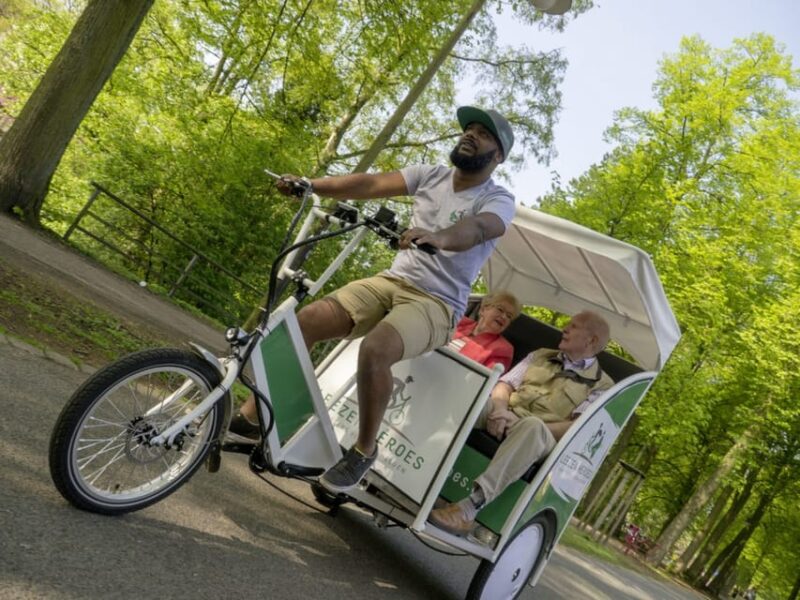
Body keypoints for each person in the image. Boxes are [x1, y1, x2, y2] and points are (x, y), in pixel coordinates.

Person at [229, 106, 517, 494]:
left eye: (483, 135)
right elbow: (368, 184)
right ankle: (254, 416)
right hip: (392, 280)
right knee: (305, 322)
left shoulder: (497, 198)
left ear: (497, 156)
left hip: (438, 303)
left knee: (376, 348)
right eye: (469, 129)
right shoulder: (430, 175)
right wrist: (311, 184)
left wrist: (440, 237)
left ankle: (363, 450)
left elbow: (479, 228)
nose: (470, 135)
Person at [429, 310, 614, 536]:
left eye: (574, 326)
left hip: (544, 435)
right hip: (506, 412)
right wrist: (499, 410)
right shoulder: (541, 355)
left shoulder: (602, 386)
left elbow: (576, 427)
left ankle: (468, 509)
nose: (565, 328)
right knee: (471, 399)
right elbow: (504, 386)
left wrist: (520, 421)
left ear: (591, 340)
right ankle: (422, 463)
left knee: (533, 427)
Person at [448, 290, 520, 371]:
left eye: (509, 316)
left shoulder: (503, 349)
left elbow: (484, 378)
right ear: (482, 310)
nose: (504, 317)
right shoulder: (460, 322)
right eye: (500, 309)